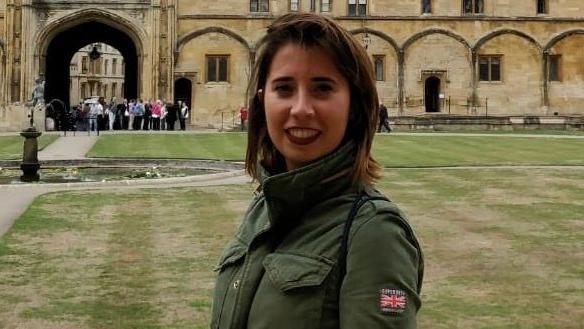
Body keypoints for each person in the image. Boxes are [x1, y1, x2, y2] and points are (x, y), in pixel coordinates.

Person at [211, 13, 424, 329]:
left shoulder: (374, 233)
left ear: (354, 105)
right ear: (262, 101)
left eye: (322, 89)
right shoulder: (265, 206)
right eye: (283, 88)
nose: (300, 108)